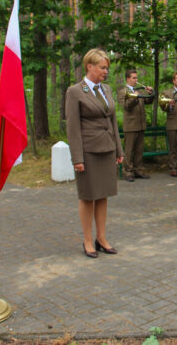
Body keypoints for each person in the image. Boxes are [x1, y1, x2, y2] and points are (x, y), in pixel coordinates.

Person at [66, 48, 124, 258]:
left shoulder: (106, 90)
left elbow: (113, 121)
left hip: (107, 150)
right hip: (88, 152)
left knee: (103, 195)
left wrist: (119, 149)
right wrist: (77, 158)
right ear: (89, 66)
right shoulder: (75, 91)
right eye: (102, 67)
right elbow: (73, 128)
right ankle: (88, 240)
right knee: (87, 196)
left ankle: (102, 238)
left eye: (107, 68)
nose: (105, 71)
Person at [117, 69, 154, 182]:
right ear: (128, 79)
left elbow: (148, 102)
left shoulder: (140, 91)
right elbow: (126, 106)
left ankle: (139, 171)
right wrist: (134, 97)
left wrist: (151, 93)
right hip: (130, 125)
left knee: (139, 150)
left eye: (137, 78)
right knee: (129, 151)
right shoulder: (123, 91)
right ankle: (128, 172)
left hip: (141, 125)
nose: (136, 80)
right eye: (134, 78)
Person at [160, 71, 177, 177]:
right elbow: (163, 108)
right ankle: (173, 168)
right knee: (172, 148)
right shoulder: (167, 92)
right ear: (173, 80)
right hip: (172, 124)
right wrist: (170, 106)